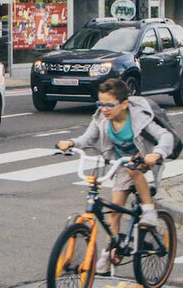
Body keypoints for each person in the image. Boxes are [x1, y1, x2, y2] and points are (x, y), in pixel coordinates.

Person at [55, 77, 175, 274]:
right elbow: (87, 138)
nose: (104, 109)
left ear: (124, 104)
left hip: (143, 158)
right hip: (119, 164)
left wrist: (158, 152)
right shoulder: (102, 119)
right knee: (114, 212)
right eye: (100, 104)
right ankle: (109, 252)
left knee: (132, 168)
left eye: (109, 105)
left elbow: (165, 136)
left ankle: (149, 211)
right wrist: (71, 143)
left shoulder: (138, 117)